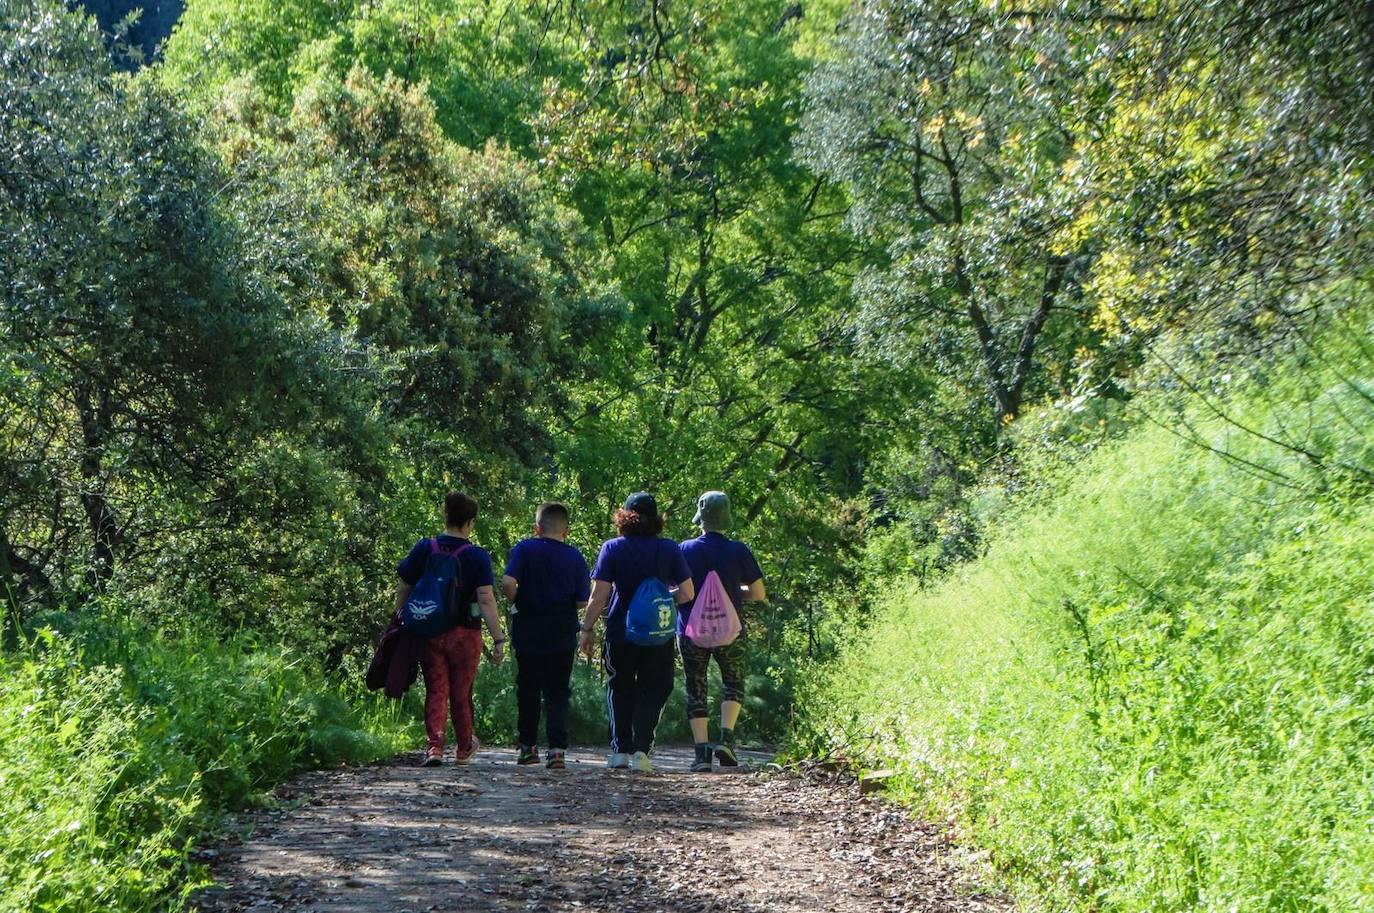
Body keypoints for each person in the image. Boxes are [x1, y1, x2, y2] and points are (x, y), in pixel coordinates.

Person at [579, 492, 694, 773]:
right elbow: (688, 593)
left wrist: (586, 628)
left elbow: (599, 597)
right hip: (658, 634)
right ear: (656, 519)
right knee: (655, 687)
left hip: (620, 632)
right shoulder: (669, 549)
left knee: (619, 687)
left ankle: (619, 751)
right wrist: (662, 599)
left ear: (624, 517)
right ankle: (642, 751)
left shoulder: (612, 548)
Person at [395, 491, 505, 767]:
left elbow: (404, 585)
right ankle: (464, 747)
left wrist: (399, 616)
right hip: (466, 634)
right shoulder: (477, 556)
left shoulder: (424, 548)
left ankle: (435, 747)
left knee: (436, 689)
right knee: (461, 691)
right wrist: (498, 638)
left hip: (429, 630)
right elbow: (486, 598)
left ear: (445, 515)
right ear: (470, 522)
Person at [678, 491, 765, 772]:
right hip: (731, 631)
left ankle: (701, 754)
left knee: (696, 687)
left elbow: (677, 591)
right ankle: (726, 739)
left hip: (691, 631)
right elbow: (758, 593)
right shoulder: (738, 550)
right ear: (726, 518)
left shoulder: (684, 549)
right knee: (733, 683)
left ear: (700, 518)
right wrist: (734, 593)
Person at [502, 501, 591, 770]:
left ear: (537, 528)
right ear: (566, 531)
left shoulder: (524, 549)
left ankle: (528, 748)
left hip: (528, 630)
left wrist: (519, 600)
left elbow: (507, 583)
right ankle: (556, 751)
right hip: (562, 632)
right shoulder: (575, 557)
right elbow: (583, 600)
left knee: (528, 688)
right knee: (558, 692)